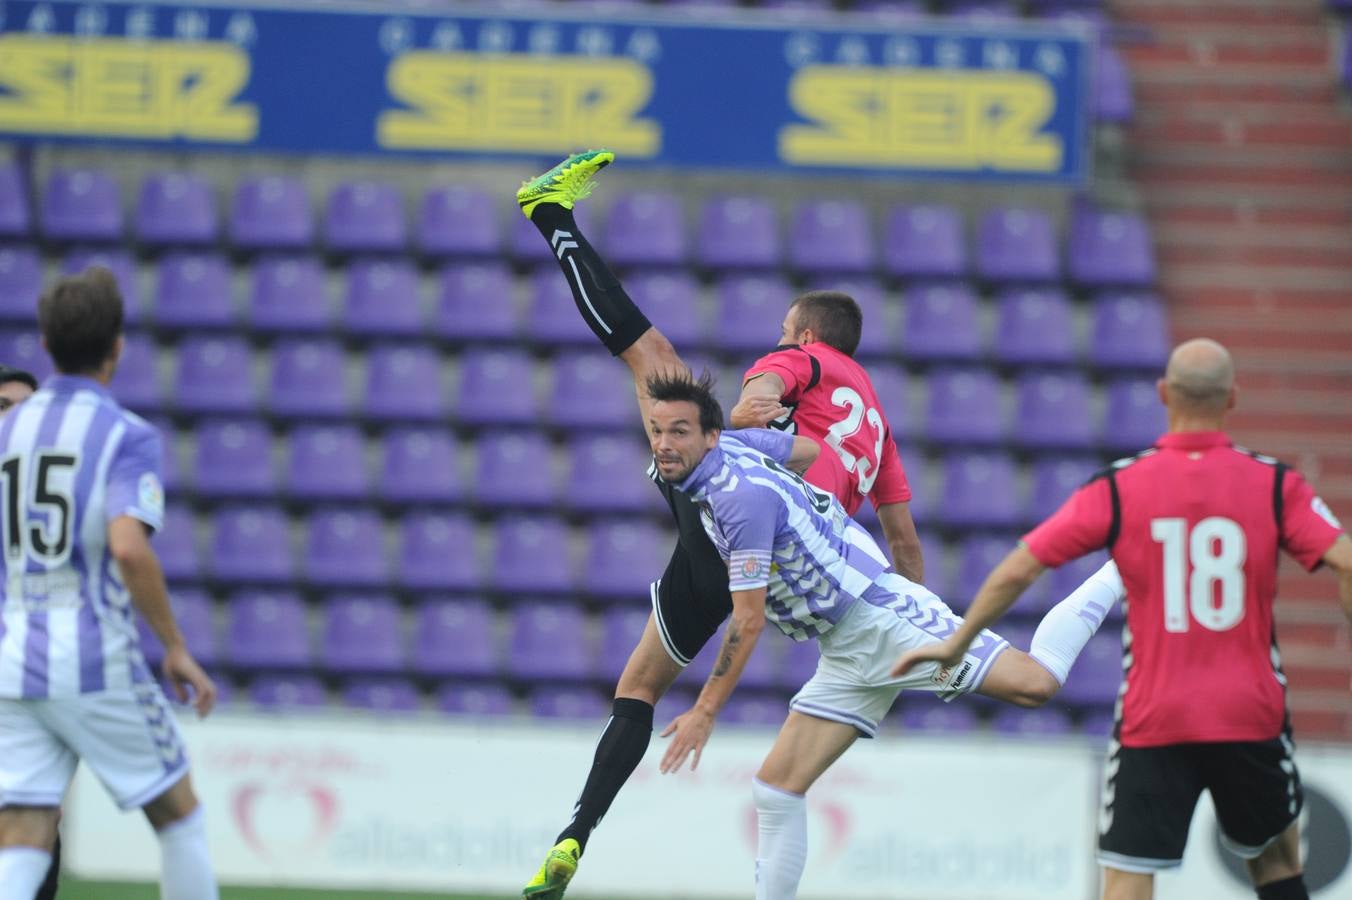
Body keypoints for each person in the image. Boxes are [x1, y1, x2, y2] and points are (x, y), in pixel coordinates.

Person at [515, 150, 924, 897]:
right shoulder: (881, 431)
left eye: (783, 329)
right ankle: (571, 840)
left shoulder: (809, 360)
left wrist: (726, 427)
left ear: (805, 334)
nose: (777, 337)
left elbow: (759, 397)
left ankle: (548, 214)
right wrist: (924, 630)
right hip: (762, 551)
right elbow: (904, 545)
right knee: (639, 684)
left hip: (736, 509)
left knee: (653, 358)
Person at [893, 338, 1352, 900]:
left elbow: (1019, 568)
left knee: (1127, 880)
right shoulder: (1277, 483)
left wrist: (956, 642)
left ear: (1164, 394)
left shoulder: (1122, 485)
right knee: (1278, 865)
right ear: (1233, 398)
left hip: (1157, 713)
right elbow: (1344, 559)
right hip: (1251, 709)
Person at [644, 372, 1124, 899]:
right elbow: (806, 450)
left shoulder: (739, 501)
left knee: (1037, 682)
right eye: (658, 431)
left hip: (886, 620)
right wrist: (809, 517)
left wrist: (705, 710)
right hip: (845, 650)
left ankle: (1123, 564)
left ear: (710, 436)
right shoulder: (743, 445)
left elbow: (749, 619)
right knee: (777, 790)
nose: (665, 445)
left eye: (680, 432)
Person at [0, 268, 219, 900]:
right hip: (92, 654)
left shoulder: (9, 431)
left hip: (16, 658)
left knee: (23, 836)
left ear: (45, 342)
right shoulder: (125, 434)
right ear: (117, 346)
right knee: (181, 818)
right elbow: (128, 548)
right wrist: (174, 644)